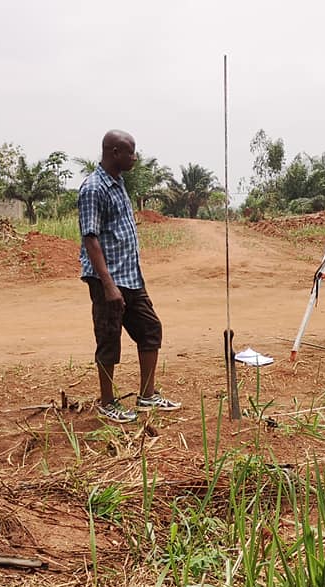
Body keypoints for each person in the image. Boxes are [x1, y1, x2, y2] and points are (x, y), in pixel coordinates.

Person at [78, 130, 181, 423]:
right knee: (108, 339)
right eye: (130, 152)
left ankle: (147, 396)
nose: (134, 157)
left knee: (151, 330)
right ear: (114, 153)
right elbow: (91, 239)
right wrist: (109, 285)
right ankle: (107, 403)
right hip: (108, 280)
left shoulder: (118, 183)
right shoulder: (94, 188)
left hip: (131, 277)